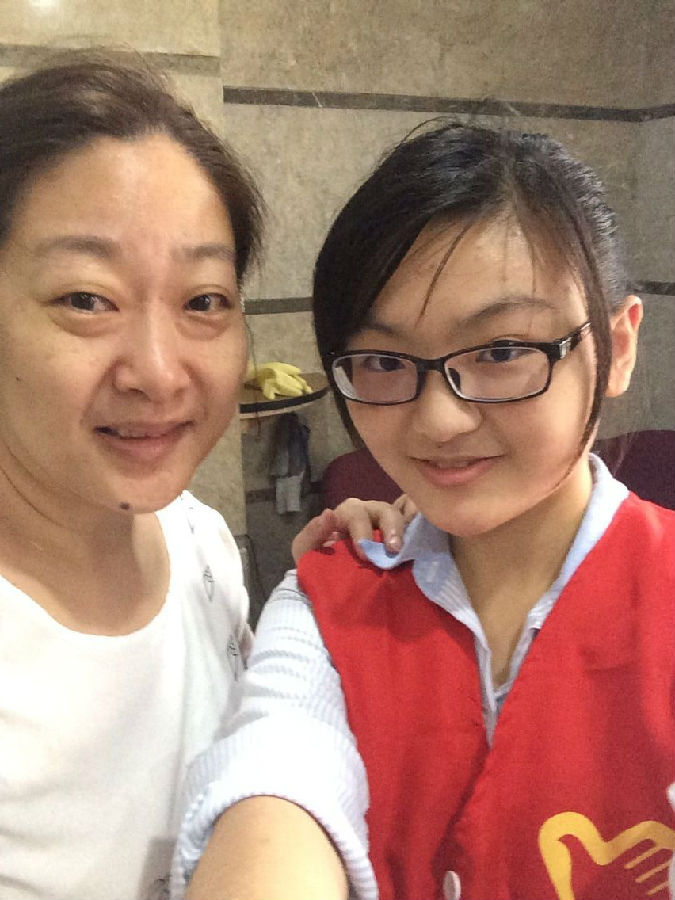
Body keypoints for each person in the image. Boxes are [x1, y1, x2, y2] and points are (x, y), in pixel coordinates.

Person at [175, 123, 675, 900]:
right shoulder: (327, 597)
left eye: (500, 351)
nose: (438, 420)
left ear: (617, 346)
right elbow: (277, 774)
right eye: (382, 361)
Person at [0, 54, 405, 900]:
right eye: (86, 299)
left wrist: (321, 608)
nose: (158, 372)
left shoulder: (199, 541)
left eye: (204, 301)